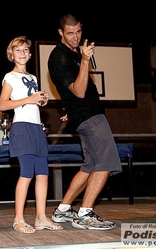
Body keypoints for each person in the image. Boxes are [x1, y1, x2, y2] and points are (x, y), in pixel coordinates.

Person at [47, 13, 122, 230]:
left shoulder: (71, 53)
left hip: (83, 115)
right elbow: (79, 91)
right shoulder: (60, 57)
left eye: (78, 31)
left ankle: (62, 210)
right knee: (105, 161)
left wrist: (71, 109)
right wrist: (86, 60)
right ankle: (86, 213)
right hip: (90, 117)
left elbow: (72, 95)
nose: (75, 37)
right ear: (61, 32)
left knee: (90, 165)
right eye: (70, 33)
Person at [0, 36, 63, 234]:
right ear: (12, 55)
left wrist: (40, 100)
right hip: (22, 128)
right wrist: (29, 98)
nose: (22, 53)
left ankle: (41, 218)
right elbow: (3, 104)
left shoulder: (33, 78)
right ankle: (18, 219)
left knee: (43, 174)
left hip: (37, 128)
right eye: (18, 50)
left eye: (26, 49)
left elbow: (30, 101)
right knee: (26, 173)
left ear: (30, 53)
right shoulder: (10, 77)